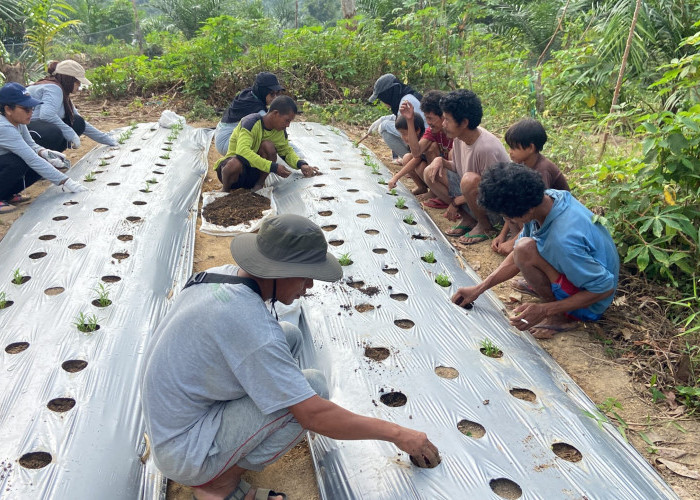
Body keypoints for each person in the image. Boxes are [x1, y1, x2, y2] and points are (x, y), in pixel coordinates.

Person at [141, 214, 441, 500]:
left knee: (291, 334)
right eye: (306, 278)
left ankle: (223, 460)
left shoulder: (220, 274)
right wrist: (398, 434)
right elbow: (314, 414)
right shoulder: (250, 326)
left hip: (172, 420)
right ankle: (217, 484)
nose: (308, 287)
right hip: (185, 451)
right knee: (312, 389)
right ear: (278, 272)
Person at [451, 162, 619, 339]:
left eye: (508, 216)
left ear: (526, 211)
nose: (508, 220)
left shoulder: (563, 240)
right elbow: (518, 252)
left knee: (525, 248)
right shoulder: (547, 199)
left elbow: (604, 288)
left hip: (592, 304)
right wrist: (479, 288)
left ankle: (562, 317)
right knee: (523, 246)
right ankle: (551, 291)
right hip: (579, 272)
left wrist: (545, 309)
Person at [423, 89, 509, 244]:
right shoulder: (459, 138)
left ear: (464, 123)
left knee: (469, 180)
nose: (444, 124)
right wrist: (440, 161)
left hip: (497, 209)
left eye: (447, 120)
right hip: (474, 196)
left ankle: (486, 226)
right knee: (430, 171)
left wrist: (456, 202)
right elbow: (457, 167)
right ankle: (469, 219)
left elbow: (491, 190)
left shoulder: (486, 148)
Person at [0, 82, 86, 213]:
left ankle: (7, 194)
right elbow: (32, 158)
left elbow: (31, 145)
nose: (31, 112)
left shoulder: (18, 121)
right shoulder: (4, 127)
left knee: (36, 162)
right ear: (8, 109)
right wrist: (66, 181)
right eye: (26, 109)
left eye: (32, 108)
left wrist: (45, 153)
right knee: (18, 162)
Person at [491, 118, 570, 256]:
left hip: (556, 221)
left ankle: (528, 249)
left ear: (531, 148)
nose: (510, 152)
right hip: (533, 218)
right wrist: (502, 235)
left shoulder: (542, 171)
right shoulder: (522, 165)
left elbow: (535, 211)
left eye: (514, 147)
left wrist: (514, 243)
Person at [214, 96, 319, 192]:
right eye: (286, 120)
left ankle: (258, 185)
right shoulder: (250, 123)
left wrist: (301, 164)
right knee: (234, 164)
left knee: (268, 146)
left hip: (252, 176)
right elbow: (242, 152)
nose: (288, 125)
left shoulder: (279, 132)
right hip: (234, 174)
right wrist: (273, 167)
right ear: (275, 114)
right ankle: (225, 190)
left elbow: (286, 151)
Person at [26, 60, 117, 152]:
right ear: (68, 79)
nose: (79, 86)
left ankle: (53, 156)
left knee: (78, 122)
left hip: (37, 128)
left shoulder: (62, 92)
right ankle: (42, 158)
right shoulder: (53, 88)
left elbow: (79, 121)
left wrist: (107, 139)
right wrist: (70, 133)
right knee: (54, 132)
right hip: (26, 129)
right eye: (78, 82)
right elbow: (46, 115)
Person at [388, 91, 454, 199]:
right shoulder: (432, 131)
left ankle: (443, 195)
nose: (428, 122)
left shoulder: (456, 132)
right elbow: (416, 152)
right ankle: (436, 191)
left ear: (443, 116)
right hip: (443, 173)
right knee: (408, 158)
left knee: (432, 149)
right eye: (426, 118)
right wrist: (409, 120)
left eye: (431, 118)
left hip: (454, 176)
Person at [214, 72, 285, 156]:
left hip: (222, 134)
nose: (275, 98)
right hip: (226, 142)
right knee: (267, 144)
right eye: (272, 94)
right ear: (263, 92)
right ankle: (252, 167)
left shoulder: (250, 94)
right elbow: (278, 136)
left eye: (277, 93)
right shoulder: (256, 110)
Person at [367, 74, 425, 163]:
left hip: (424, 142)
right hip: (422, 139)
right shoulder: (407, 96)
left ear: (388, 94)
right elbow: (401, 116)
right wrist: (381, 119)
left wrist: (382, 122)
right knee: (385, 122)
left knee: (384, 127)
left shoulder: (406, 101)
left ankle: (412, 161)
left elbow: (403, 123)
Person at [387, 110, 426, 193]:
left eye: (405, 133)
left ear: (417, 130)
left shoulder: (424, 140)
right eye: (401, 134)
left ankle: (434, 192)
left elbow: (417, 159)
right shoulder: (414, 141)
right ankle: (421, 187)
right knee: (407, 157)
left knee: (421, 166)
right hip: (425, 172)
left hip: (431, 172)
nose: (402, 137)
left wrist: (396, 177)